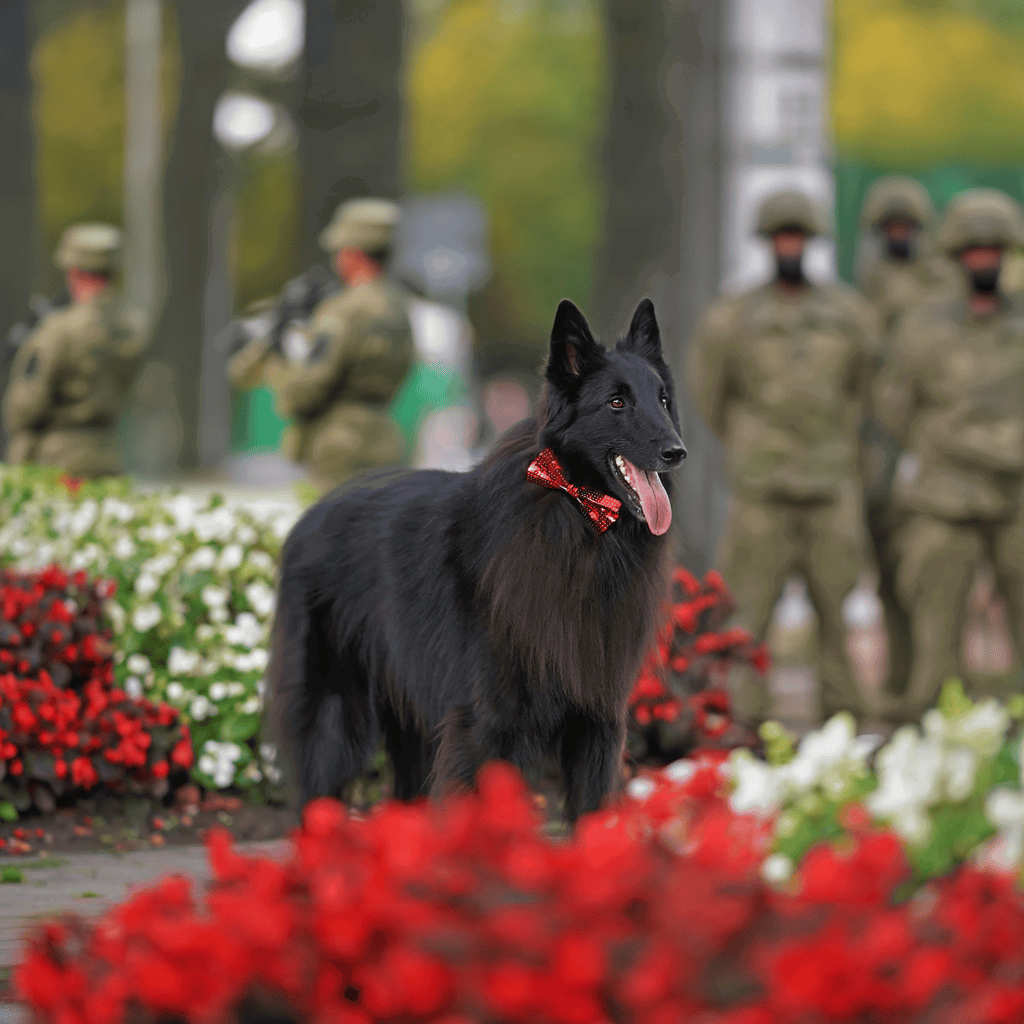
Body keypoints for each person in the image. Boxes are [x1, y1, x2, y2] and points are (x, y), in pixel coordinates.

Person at [688, 190, 881, 725]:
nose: (789, 246)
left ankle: (846, 724)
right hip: (762, 492)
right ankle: (740, 724)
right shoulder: (733, 318)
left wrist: (835, 438)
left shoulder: (849, 315)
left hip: (829, 484)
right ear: (768, 242)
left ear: (811, 241)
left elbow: (868, 390)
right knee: (747, 612)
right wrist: (752, 444)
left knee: (838, 609)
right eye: (781, 236)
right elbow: (710, 394)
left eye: (798, 236)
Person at [874, 188, 1024, 723]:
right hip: (943, 498)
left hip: (1016, 497)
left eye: (993, 250)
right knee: (935, 625)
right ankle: (933, 728)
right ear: (958, 257)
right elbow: (893, 406)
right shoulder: (921, 328)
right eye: (974, 250)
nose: (984, 260)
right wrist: (946, 442)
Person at [228, 198, 415, 493]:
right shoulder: (398, 306)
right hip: (385, 440)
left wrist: (279, 368)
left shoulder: (344, 309)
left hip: (339, 446)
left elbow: (307, 387)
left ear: (352, 254)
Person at [856, 176, 958, 709]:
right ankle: (900, 681)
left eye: (906, 226)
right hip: (879, 441)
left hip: (933, 441)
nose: (899, 234)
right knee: (889, 572)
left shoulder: (943, 288)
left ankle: (936, 685)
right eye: (890, 226)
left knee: (932, 573)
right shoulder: (863, 289)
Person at [2, 224, 147, 478]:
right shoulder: (130, 330)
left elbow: (23, 410)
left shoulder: (58, 330)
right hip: (107, 456)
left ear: (74, 271)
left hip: (54, 464)